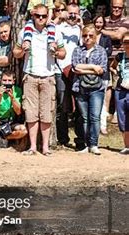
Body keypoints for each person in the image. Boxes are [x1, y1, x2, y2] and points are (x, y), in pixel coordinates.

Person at [14, 4, 66, 156]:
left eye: (44, 16)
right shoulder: (25, 32)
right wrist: (22, 49)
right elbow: (16, 52)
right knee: (31, 113)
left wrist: (56, 51)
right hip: (30, 75)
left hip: (48, 76)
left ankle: (45, 147)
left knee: (46, 113)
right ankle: (32, 147)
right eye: (38, 16)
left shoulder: (54, 32)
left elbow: (63, 53)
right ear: (33, 16)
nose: (41, 19)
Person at [71, 24, 108, 155]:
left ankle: (94, 144)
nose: (87, 38)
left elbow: (102, 69)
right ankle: (86, 144)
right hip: (80, 87)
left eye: (90, 36)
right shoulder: (77, 50)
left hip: (97, 88)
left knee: (95, 117)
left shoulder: (101, 51)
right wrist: (92, 66)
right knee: (84, 117)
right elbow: (75, 67)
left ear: (95, 37)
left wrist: (83, 69)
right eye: (85, 35)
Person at [55, 3, 83, 148]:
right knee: (62, 105)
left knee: (79, 105)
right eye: (70, 13)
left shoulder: (81, 30)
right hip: (60, 70)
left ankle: (79, 140)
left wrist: (82, 24)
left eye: (75, 14)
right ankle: (63, 138)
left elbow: (86, 45)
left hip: (77, 71)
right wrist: (59, 17)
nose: (72, 16)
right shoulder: (59, 28)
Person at [0, 71, 27, 152]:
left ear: (13, 81)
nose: (7, 83)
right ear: (0, 81)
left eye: (9, 80)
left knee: (23, 131)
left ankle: (3, 137)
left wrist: (12, 98)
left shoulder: (17, 90)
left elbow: (18, 112)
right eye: (4, 80)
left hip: (10, 122)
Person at [94, 14, 113, 135]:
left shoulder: (106, 38)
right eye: (97, 22)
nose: (99, 25)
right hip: (89, 75)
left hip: (103, 73)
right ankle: (94, 126)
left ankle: (103, 125)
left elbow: (108, 52)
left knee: (102, 101)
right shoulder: (88, 36)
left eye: (101, 22)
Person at [110, 31, 129, 154]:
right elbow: (111, 66)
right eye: (126, 42)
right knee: (123, 119)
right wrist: (115, 71)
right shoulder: (120, 56)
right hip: (120, 90)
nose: (128, 44)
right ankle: (127, 146)